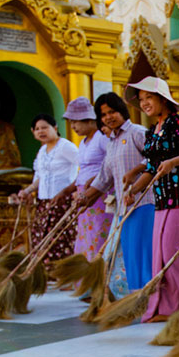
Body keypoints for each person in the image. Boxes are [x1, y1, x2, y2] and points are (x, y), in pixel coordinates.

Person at [125, 76, 179, 322]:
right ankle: (168, 308)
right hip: (162, 200)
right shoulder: (153, 131)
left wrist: (173, 161)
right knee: (161, 255)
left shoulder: (178, 122)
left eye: (149, 97)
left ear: (163, 99)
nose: (145, 103)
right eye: (141, 100)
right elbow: (151, 168)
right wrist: (135, 189)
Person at [92, 92, 151, 290]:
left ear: (122, 111)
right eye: (104, 114)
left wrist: (136, 172)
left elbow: (155, 158)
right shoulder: (112, 142)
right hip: (123, 207)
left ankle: (148, 295)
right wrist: (85, 197)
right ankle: (135, 296)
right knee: (129, 253)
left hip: (144, 202)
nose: (109, 117)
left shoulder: (137, 132)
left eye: (112, 111)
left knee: (143, 252)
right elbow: (104, 177)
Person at [10, 114, 77, 264]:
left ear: (55, 128)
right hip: (44, 202)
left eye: (45, 128)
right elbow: (40, 177)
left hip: (62, 200)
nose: (41, 131)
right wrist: (27, 191)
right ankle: (46, 272)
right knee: (42, 238)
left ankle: (62, 271)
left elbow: (83, 166)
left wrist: (75, 189)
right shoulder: (42, 151)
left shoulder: (66, 146)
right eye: (37, 129)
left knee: (60, 238)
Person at [66, 97, 112, 262]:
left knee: (99, 233)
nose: (73, 127)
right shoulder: (83, 142)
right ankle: (86, 275)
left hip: (99, 193)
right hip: (83, 193)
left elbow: (111, 162)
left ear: (90, 120)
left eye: (76, 122)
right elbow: (83, 170)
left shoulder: (102, 137)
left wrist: (94, 180)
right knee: (86, 234)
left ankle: (98, 271)